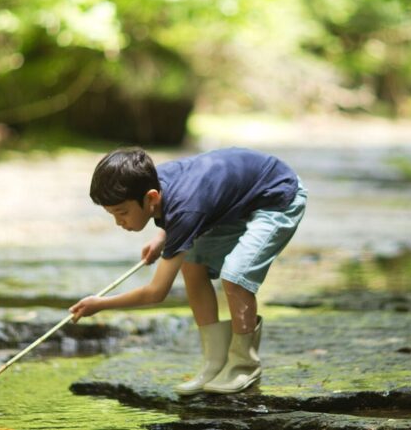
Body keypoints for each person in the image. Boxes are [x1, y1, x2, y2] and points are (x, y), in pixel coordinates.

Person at [69, 146, 307, 395]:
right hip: (237, 202)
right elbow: (183, 206)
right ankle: (214, 363)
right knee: (192, 265)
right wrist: (164, 236)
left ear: (150, 198)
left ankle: (243, 365)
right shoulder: (148, 181)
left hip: (277, 196)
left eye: (123, 213)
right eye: (112, 214)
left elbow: (156, 293)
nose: (119, 222)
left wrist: (100, 304)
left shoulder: (184, 209)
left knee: (235, 276)